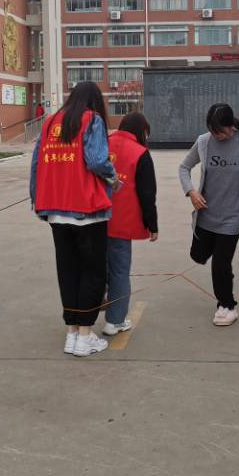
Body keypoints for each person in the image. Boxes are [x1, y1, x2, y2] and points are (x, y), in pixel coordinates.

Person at [30, 81, 118, 357]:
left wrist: (37, 199)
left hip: (56, 209)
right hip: (86, 209)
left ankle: (72, 333)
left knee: (68, 272)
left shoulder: (50, 122)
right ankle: (85, 335)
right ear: (95, 100)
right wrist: (113, 178)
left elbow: (36, 164)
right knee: (92, 272)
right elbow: (96, 161)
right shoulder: (92, 120)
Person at [179, 103, 239, 327]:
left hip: (232, 217)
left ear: (231, 126)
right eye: (212, 131)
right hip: (206, 216)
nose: (217, 136)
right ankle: (222, 273)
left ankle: (227, 305)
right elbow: (184, 167)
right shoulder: (203, 142)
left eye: (220, 131)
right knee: (198, 255)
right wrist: (191, 191)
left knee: (221, 264)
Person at [104, 112, 159, 337]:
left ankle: (88, 314)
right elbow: (147, 194)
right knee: (119, 271)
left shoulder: (103, 143)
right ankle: (114, 321)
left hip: (94, 219)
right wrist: (152, 225)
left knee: (98, 268)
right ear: (142, 131)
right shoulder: (140, 153)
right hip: (121, 223)